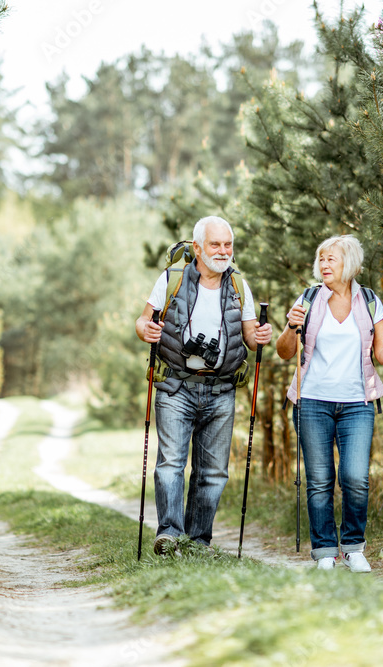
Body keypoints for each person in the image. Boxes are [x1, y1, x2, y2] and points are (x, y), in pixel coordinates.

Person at [136, 216, 273, 555]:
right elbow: (144, 319)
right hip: (175, 387)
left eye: (228, 244)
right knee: (171, 463)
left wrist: (262, 335)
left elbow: (251, 338)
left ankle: (198, 541)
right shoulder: (172, 278)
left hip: (222, 389)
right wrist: (145, 329)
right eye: (216, 244)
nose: (223, 251)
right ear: (197, 247)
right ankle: (169, 534)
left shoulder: (239, 285)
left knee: (212, 472)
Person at [275, 235, 383, 572]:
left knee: (355, 477)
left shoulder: (370, 300)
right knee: (319, 480)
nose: (323, 265)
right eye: (321, 260)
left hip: (356, 404)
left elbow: (381, 355)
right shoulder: (307, 299)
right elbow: (284, 351)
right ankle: (324, 551)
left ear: (348, 263)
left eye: (330, 259)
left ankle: (352, 547)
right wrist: (292, 326)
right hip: (312, 401)